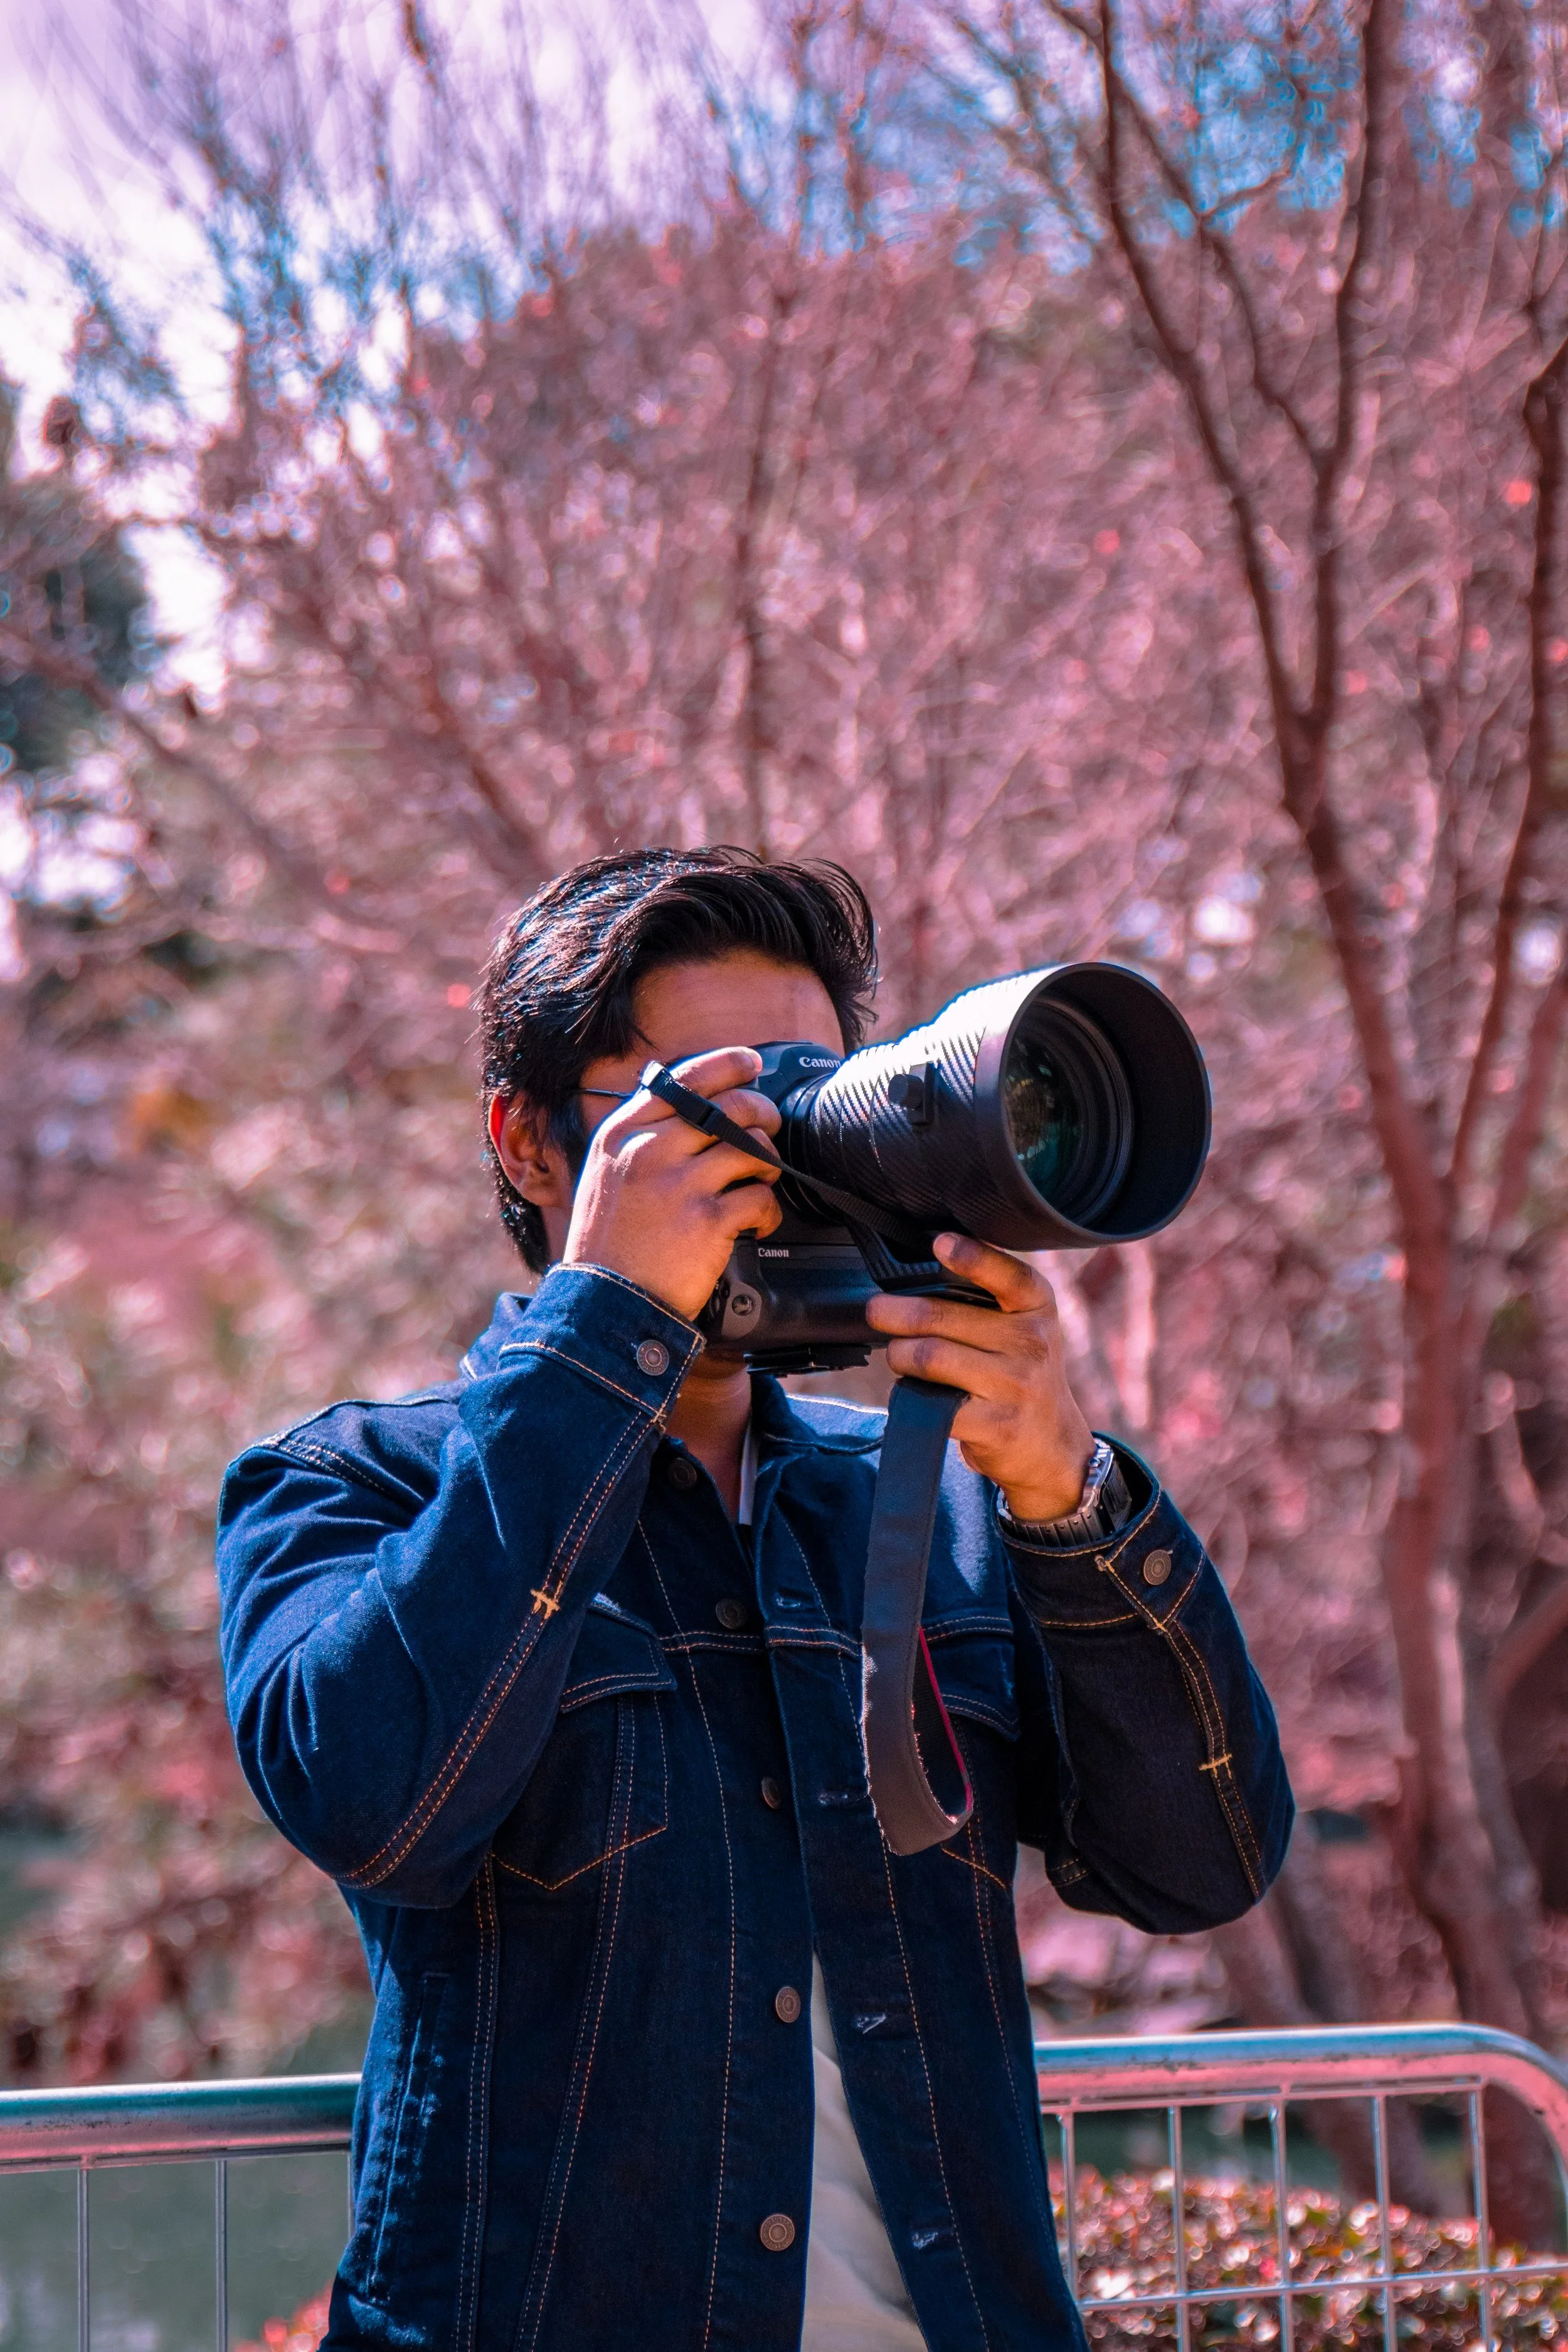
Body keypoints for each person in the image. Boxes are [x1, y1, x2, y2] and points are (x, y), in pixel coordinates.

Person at [216, 847, 1293, 2352]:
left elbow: (1202, 1866)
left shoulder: (943, 1499)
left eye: (811, 1099)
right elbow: (379, 1802)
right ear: (530, 1145)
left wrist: (1068, 1495)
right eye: (706, 1106)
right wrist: (610, 1330)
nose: (773, 1158)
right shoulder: (354, 1489)